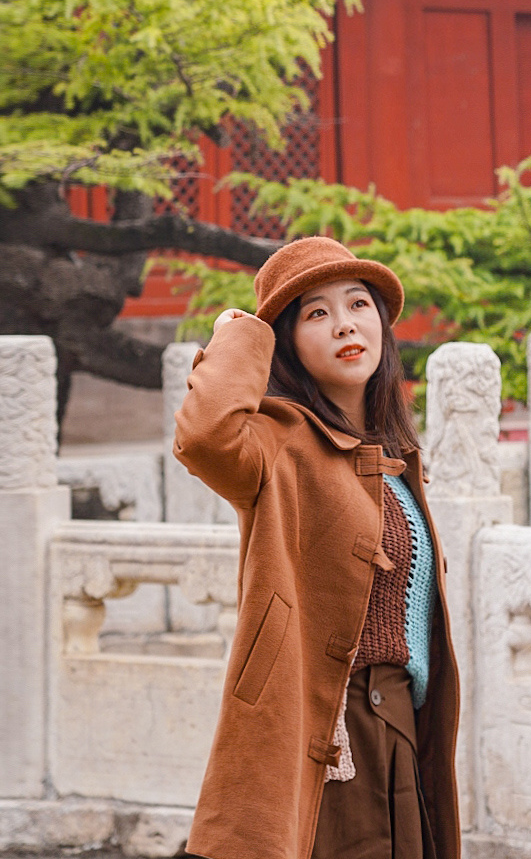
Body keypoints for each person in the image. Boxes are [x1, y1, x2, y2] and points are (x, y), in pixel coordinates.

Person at [173, 236, 460, 859]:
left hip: (401, 731)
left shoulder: (393, 457)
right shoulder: (279, 444)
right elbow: (204, 437)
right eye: (317, 313)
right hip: (329, 730)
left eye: (358, 304)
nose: (345, 325)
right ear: (288, 341)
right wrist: (241, 333)